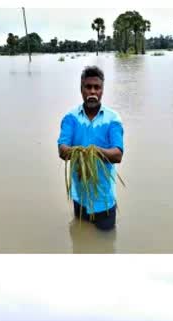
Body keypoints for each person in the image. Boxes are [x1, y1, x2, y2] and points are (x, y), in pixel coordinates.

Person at [57, 66, 125, 231]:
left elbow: (117, 155)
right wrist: (80, 152)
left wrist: (94, 151)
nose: (92, 91)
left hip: (104, 200)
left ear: (102, 90)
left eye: (97, 87)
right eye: (88, 87)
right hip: (79, 198)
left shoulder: (113, 119)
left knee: (106, 243)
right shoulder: (70, 118)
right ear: (81, 89)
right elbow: (62, 150)